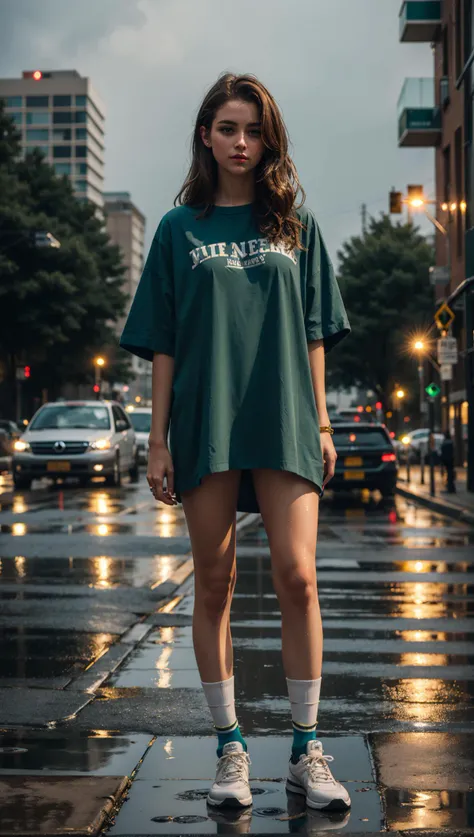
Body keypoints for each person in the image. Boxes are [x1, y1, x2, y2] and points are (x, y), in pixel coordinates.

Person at [120, 73, 351, 814]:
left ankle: (305, 748)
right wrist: (156, 439)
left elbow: (315, 331)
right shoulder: (176, 229)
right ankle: (230, 746)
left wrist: (321, 421)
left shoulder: (296, 225)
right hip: (206, 417)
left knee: (298, 576)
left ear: (269, 137)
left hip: (283, 414)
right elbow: (163, 345)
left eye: (253, 129)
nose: (241, 143)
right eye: (227, 127)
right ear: (205, 135)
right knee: (213, 583)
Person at [441, 429, 456, 494]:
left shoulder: (444, 443)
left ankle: (450, 488)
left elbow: (442, 452)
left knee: (449, 474)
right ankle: (451, 488)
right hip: (450, 460)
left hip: (446, 461)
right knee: (450, 474)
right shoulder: (451, 442)